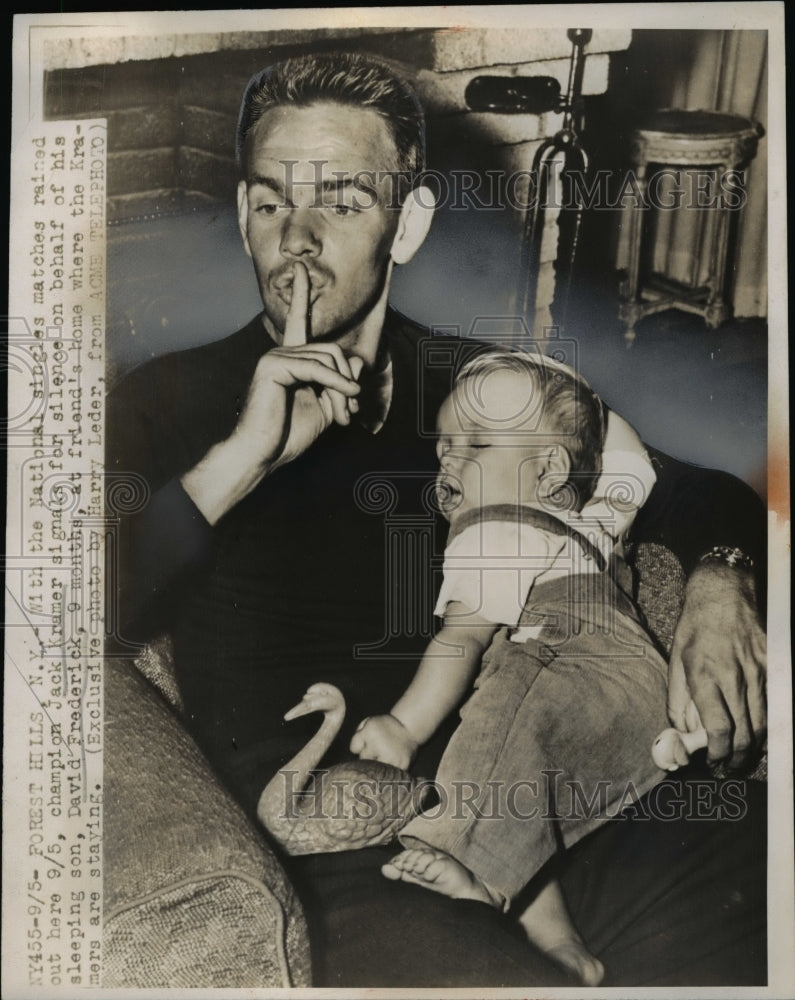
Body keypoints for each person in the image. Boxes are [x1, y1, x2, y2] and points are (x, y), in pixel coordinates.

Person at [108, 51, 768, 986]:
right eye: (267, 203)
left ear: (407, 223)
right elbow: (63, 620)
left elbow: (692, 487)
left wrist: (719, 581)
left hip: (547, 791)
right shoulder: (166, 395)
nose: (295, 239)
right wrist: (240, 461)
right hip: (344, 852)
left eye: (339, 201)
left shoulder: (474, 384)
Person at [350, 349, 669, 984]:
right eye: (444, 441)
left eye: (475, 440)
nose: (448, 455)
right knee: (525, 782)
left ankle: (460, 859)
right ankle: (556, 944)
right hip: (643, 694)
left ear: (548, 467)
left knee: (495, 722)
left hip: (568, 656)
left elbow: (461, 638)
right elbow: (631, 460)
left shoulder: (493, 527)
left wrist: (404, 726)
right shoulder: (593, 520)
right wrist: (572, 411)